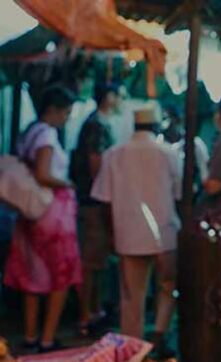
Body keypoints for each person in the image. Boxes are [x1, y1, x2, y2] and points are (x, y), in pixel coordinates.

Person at [91, 107, 181, 357]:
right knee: (168, 286)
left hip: (128, 234)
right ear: (156, 127)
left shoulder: (114, 154)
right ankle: (160, 334)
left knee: (132, 295)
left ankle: (132, 348)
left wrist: (112, 233)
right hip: (165, 233)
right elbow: (179, 194)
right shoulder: (168, 153)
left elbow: (103, 199)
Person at [4, 85, 81, 352]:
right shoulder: (47, 135)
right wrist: (68, 183)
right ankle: (47, 338)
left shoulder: (30, 132)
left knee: (32, 275)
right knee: (61, 274)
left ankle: (30, 335)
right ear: (53, 110)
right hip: (53, 213)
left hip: (30, 214)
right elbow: (43, 174)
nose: (67, 118)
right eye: (66, 112)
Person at [72, 82, 122, 336]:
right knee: (91, 261)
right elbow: (95, 163)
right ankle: (85, 314)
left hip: (95, 200)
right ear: (108, 97)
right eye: (118, 95)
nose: (121, 100)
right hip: (94, 202)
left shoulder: (99, 123)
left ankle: (94, 310)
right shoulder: (96, 125)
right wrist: (104, 191)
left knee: (97, 260)